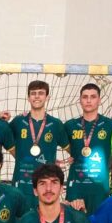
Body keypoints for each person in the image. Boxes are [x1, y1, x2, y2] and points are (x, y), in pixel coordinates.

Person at [9, 80, 69, 212]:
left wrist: (65, 161)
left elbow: (72, 149)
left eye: (41, 93)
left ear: (47, 97)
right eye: (33, 93)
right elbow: (3, 138)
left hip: (46, 186)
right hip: (21, 184)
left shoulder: (56, 124)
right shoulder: (18, 121)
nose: (37, 96)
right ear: (28, 97)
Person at [63, 83, 112, 214]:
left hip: (100, 188)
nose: (88, 100)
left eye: (93, 97)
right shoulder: (70, 125)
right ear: (80, 100)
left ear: (99, 100)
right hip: (76, 187)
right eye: (85, 97)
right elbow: (49, 137)